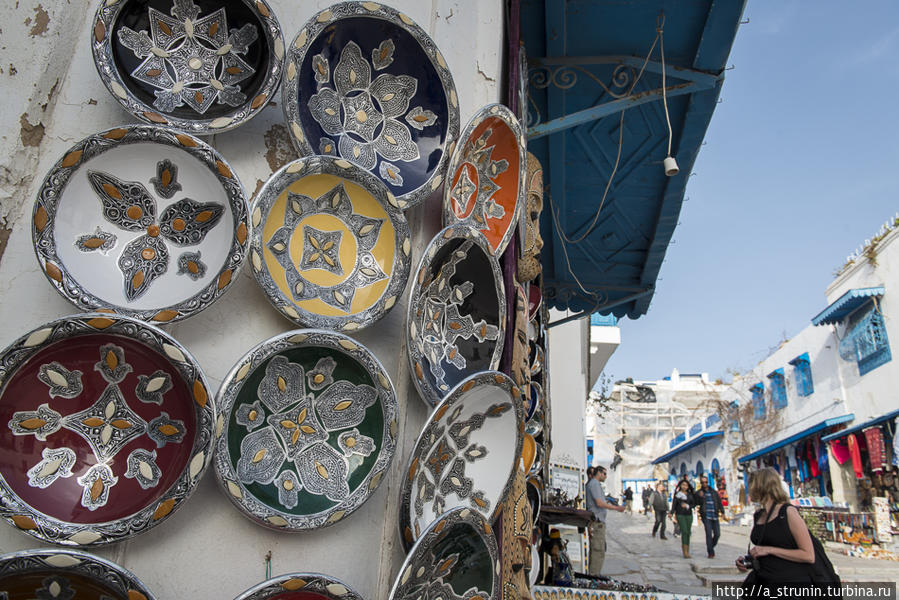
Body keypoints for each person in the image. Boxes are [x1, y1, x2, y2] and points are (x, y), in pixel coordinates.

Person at [735, 467, 817, 587]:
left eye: (752, 486)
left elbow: (808, 555)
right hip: (763, 581)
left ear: (762, 487)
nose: (749, 491)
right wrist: (748, 561)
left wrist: (769, 550)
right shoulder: (759, 515)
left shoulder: (787, 512)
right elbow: (765, 549)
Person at [585, 464, 625, 576]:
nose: (606, 476)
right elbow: (599, 503)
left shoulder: (595, 484)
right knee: (598, 549)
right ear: (599, 473)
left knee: (600, 548)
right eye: (604, 474)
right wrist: (616, 508)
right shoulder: (594, 484)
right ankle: (594, 575)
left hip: (598, 521)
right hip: (597, 522)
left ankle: (595, 573)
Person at [696, 474, 725, 558]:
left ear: (708, 482)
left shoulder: (713, 492)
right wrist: (700, 497)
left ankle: (710, 546)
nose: (704, 483)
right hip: (706, 516)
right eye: (703, 482)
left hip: (714, 515)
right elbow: (696, 502)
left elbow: (719, 502)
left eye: (706, 482)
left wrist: (722, 511)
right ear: (701, 483)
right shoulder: (699, 493)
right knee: (708, 533)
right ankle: (711, 552)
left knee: (717, 534)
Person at [671, 479, 695, 558]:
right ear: (680, 485)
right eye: (683, 485)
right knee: (684, 531)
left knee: (688, 532)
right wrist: (671, 513)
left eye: (686, 485)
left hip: (689, 515)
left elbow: (693, 504)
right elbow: (674, 504)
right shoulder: (678, 495)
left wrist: (687, 506)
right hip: (680, 514)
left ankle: (687, 550)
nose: (684, 486)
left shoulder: (690, 495)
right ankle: (685, 552)